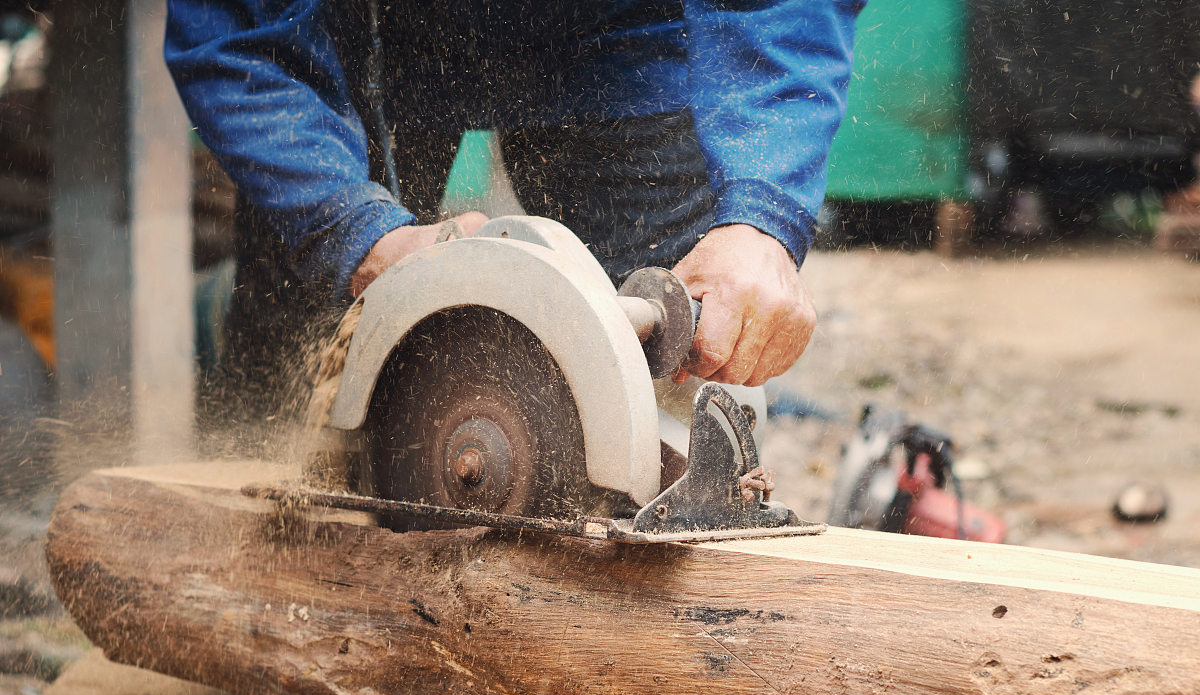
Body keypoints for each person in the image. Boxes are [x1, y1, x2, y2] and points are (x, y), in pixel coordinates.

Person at [165, 0, 863, 419]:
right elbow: (239, 33)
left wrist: (761, 216)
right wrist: (349, 230)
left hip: (627, 32)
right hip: (352, 40)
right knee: (288, 410)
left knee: (680, 396)